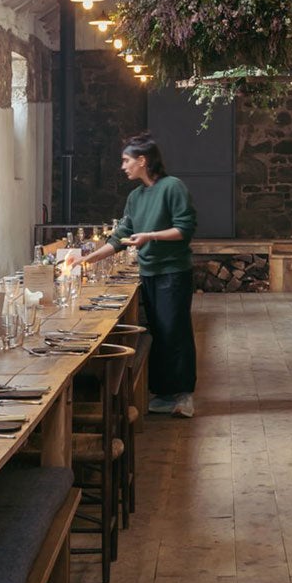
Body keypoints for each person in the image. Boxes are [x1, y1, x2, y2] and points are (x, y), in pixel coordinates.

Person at [87, 134, 200, 417]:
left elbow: (184, 229)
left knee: (176, 332)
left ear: (143, 160)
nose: (123, 166)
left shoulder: (172, 187)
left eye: (126, 160)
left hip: (173, 272)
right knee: (159, 333)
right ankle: (163, 394)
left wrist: (149, 236)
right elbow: (119, 238)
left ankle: (184, 396)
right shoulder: (135, 197)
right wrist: (85, 260)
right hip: (148, 272)